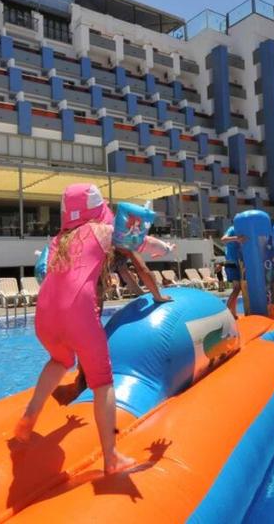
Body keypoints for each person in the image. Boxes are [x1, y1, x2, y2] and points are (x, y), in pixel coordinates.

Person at [14, 183, 170, 475]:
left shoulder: (58, 240)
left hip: (44, 315)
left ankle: (29, 415)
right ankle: (111, 457)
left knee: (60, 360)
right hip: (78, 314)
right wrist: (165, 248)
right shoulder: (102, 231)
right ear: (97, 207)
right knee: (102, 382)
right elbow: (142, 243)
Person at [220, 226, 246, 319]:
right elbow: (223, 240)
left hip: (237, 263)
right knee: (237, 289)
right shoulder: (232, 229)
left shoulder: (243, 230)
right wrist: (236, 238)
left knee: (237, 289)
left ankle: (233, 314)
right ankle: (225, 313)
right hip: (232, 262)